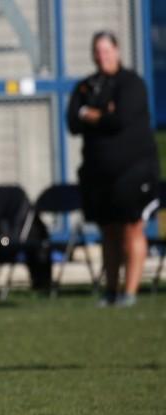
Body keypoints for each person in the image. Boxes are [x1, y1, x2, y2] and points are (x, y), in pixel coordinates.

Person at [67, 31, 160, 308]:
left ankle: (129, 292)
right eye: (97, 51)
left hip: (133, 170)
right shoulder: (86, 86)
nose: (102, 56)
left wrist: (93, 114)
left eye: (107, 50)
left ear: (117, 51)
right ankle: (110, 291)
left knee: (132, 228)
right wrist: (96, 114)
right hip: (98, 174)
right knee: (108, 230)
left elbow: (119, 120)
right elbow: (73, 120)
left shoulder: (131, 84)